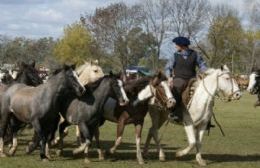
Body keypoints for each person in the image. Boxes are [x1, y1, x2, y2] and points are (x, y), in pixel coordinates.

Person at [165, 36, 207, 122]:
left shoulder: (195, 54)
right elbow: (168, 68)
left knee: (204, 90)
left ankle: (206, 115)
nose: (175, 46)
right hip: (179, 79)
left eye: (177, 45)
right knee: (177, 88)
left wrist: (205, 73)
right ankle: (175, 113)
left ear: (182, 46)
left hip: (192, 79)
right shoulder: (174, 56)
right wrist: (169, 78)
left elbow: (202, 65)